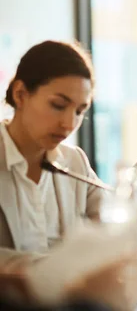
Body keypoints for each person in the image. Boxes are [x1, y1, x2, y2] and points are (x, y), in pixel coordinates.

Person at [0, 41, 105, 268]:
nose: (69, 123)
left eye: (80, 111)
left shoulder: (75, 162)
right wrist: (56, 270)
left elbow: (114, 226)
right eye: (58, 105)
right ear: (20, 94)